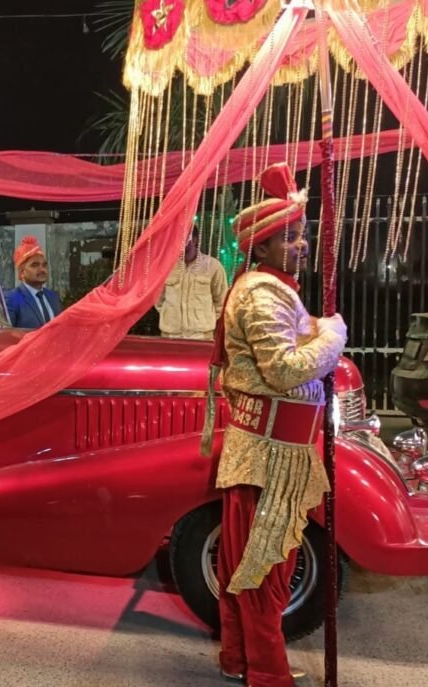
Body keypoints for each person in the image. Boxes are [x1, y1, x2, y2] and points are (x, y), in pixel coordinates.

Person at [205, 163, 347, 687]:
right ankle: (266, 673)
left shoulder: (268, 286)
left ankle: (240, 660)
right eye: (290, 237)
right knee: (265, 570)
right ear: (260, 247)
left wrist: (317, 329)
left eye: (302, 234)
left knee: (250, 566)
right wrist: (333, 336)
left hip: (271, 448)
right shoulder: (263, 292)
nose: (302, 245)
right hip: (270, 454)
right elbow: (284, 371)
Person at [155, 223, 228, 340]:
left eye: (183, 237)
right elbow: (158, 299)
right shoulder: (166, 267)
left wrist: (205, 322)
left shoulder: (213, 266)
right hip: (170, 335)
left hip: (202, 336)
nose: (178, 241)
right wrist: (169, 318)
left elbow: (221, 301)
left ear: (194, 240)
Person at [5, 236, 62, 329]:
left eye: (44, 265)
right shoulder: (12, 299)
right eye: (35, 265)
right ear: (22, 272)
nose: (42, 269)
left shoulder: (53, 297)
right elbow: (8, 334)